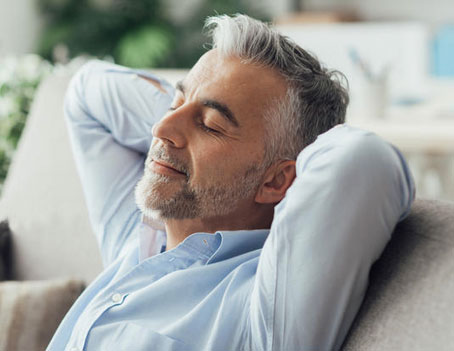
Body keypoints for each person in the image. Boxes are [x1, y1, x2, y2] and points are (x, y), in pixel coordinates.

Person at [47, 14, 415, 351]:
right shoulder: (137, 239)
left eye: (211, 125)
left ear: (277, 180)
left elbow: (361, 159)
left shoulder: (261, 313)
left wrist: (299, 159)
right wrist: (191, 111)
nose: (159, 129)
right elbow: (86, 93)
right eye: (173, 105)